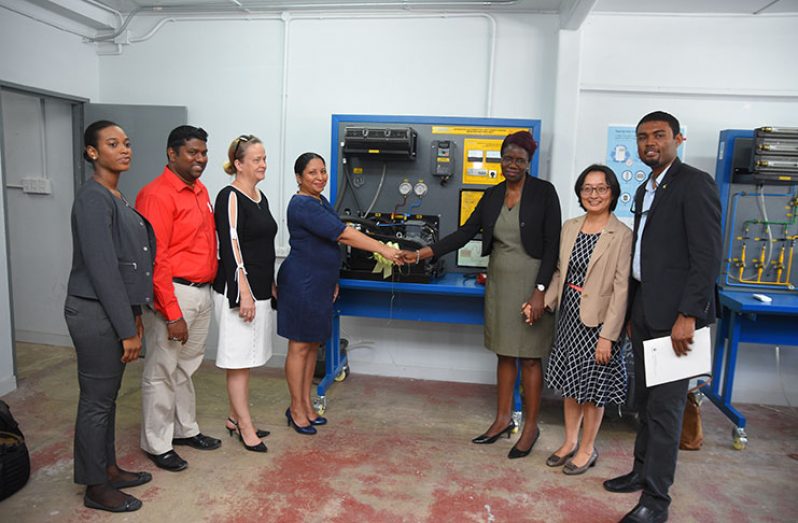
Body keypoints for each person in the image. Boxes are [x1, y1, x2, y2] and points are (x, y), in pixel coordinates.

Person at [402, 130, 561, 459]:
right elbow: (463, 233)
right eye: (508, 158)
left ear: (529, 163)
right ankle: (502, 419)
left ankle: (530, 426)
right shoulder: (492, 196)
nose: (512, 165)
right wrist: (422, 253)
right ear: (500, 159)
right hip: (501, 281)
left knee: (530, 357)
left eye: (520, 160)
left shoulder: (545, 193)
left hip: (533, 281)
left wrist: (540, 292)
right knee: (504, 353)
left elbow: (552, 246)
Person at [603, 112, 721, 523]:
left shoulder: (694, 184)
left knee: (667, 409)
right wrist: (635, 309)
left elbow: (706, 258)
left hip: (677, 318)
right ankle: (640, 471)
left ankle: (657, 501)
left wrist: (689, 314)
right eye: (642, 137)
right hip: (646, 309)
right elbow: (645, 254)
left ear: (678, 139)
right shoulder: (645, 188)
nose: (649, 143)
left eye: (659, 135)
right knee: (646, 401)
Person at [276, 152, 404, 435]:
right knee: (299, 347)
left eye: (323, 171)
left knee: (312, 345)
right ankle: (296, 408)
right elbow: (342, 234)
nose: (320, 177)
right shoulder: (302, 205)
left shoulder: (320, 201)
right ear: (299, 177)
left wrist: (332, 279)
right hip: (302, 282)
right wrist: (384, 248)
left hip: (320, 283)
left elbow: (327, 245)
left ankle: (306, 404)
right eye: (312, 173)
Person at [65, 120, 155, 512]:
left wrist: (134, 315)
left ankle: (109, 468)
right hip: (94, 312)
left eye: (127, 143)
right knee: (96, 402)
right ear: (91, 152)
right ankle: (95, 485)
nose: (124, 150)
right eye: (112, 143)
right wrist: (126, 329)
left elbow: (127, 266)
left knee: (108, 398)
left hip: (113, 310)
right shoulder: (92, 199)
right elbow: (103, 270)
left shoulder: (116, 196)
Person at [136, 125, 221, 471]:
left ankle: (184, 430)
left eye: (203, 152)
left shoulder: (200, 190)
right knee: (161, 371)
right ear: (172, 154)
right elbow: (156, 258)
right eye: (192, 153)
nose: (200, 159)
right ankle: (157, 443)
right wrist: (171, 312)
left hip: (202, 292)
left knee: (186, 368)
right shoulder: (156, 195)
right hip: (175, 293)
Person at [539, 164, 632, 475]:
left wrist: (609, 335)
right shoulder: (570, 227)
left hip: (599, 324)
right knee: (570, 385)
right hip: (568, 318)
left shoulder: (621, 235)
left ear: (613, 192)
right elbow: (558, 274)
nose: (594, 194)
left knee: (593, 390)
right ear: (580, 193)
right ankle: (568, 442)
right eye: (587, 189)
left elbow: (622, 289)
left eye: (601, 188)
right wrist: (545, 302)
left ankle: (588, 448)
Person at [213, 135, 277, 453]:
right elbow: (231, 244)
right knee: (238, 361)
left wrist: (271, 284)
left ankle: (232, 416)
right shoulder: (230, 196)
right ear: (238, 164)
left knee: (246, 359)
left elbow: (262, 245)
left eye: (264, 158)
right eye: (256, 159)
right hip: (238, 290)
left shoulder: (258, 195)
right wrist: (244, 293)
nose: (263, 164)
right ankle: (245, 426)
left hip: (261, 288)